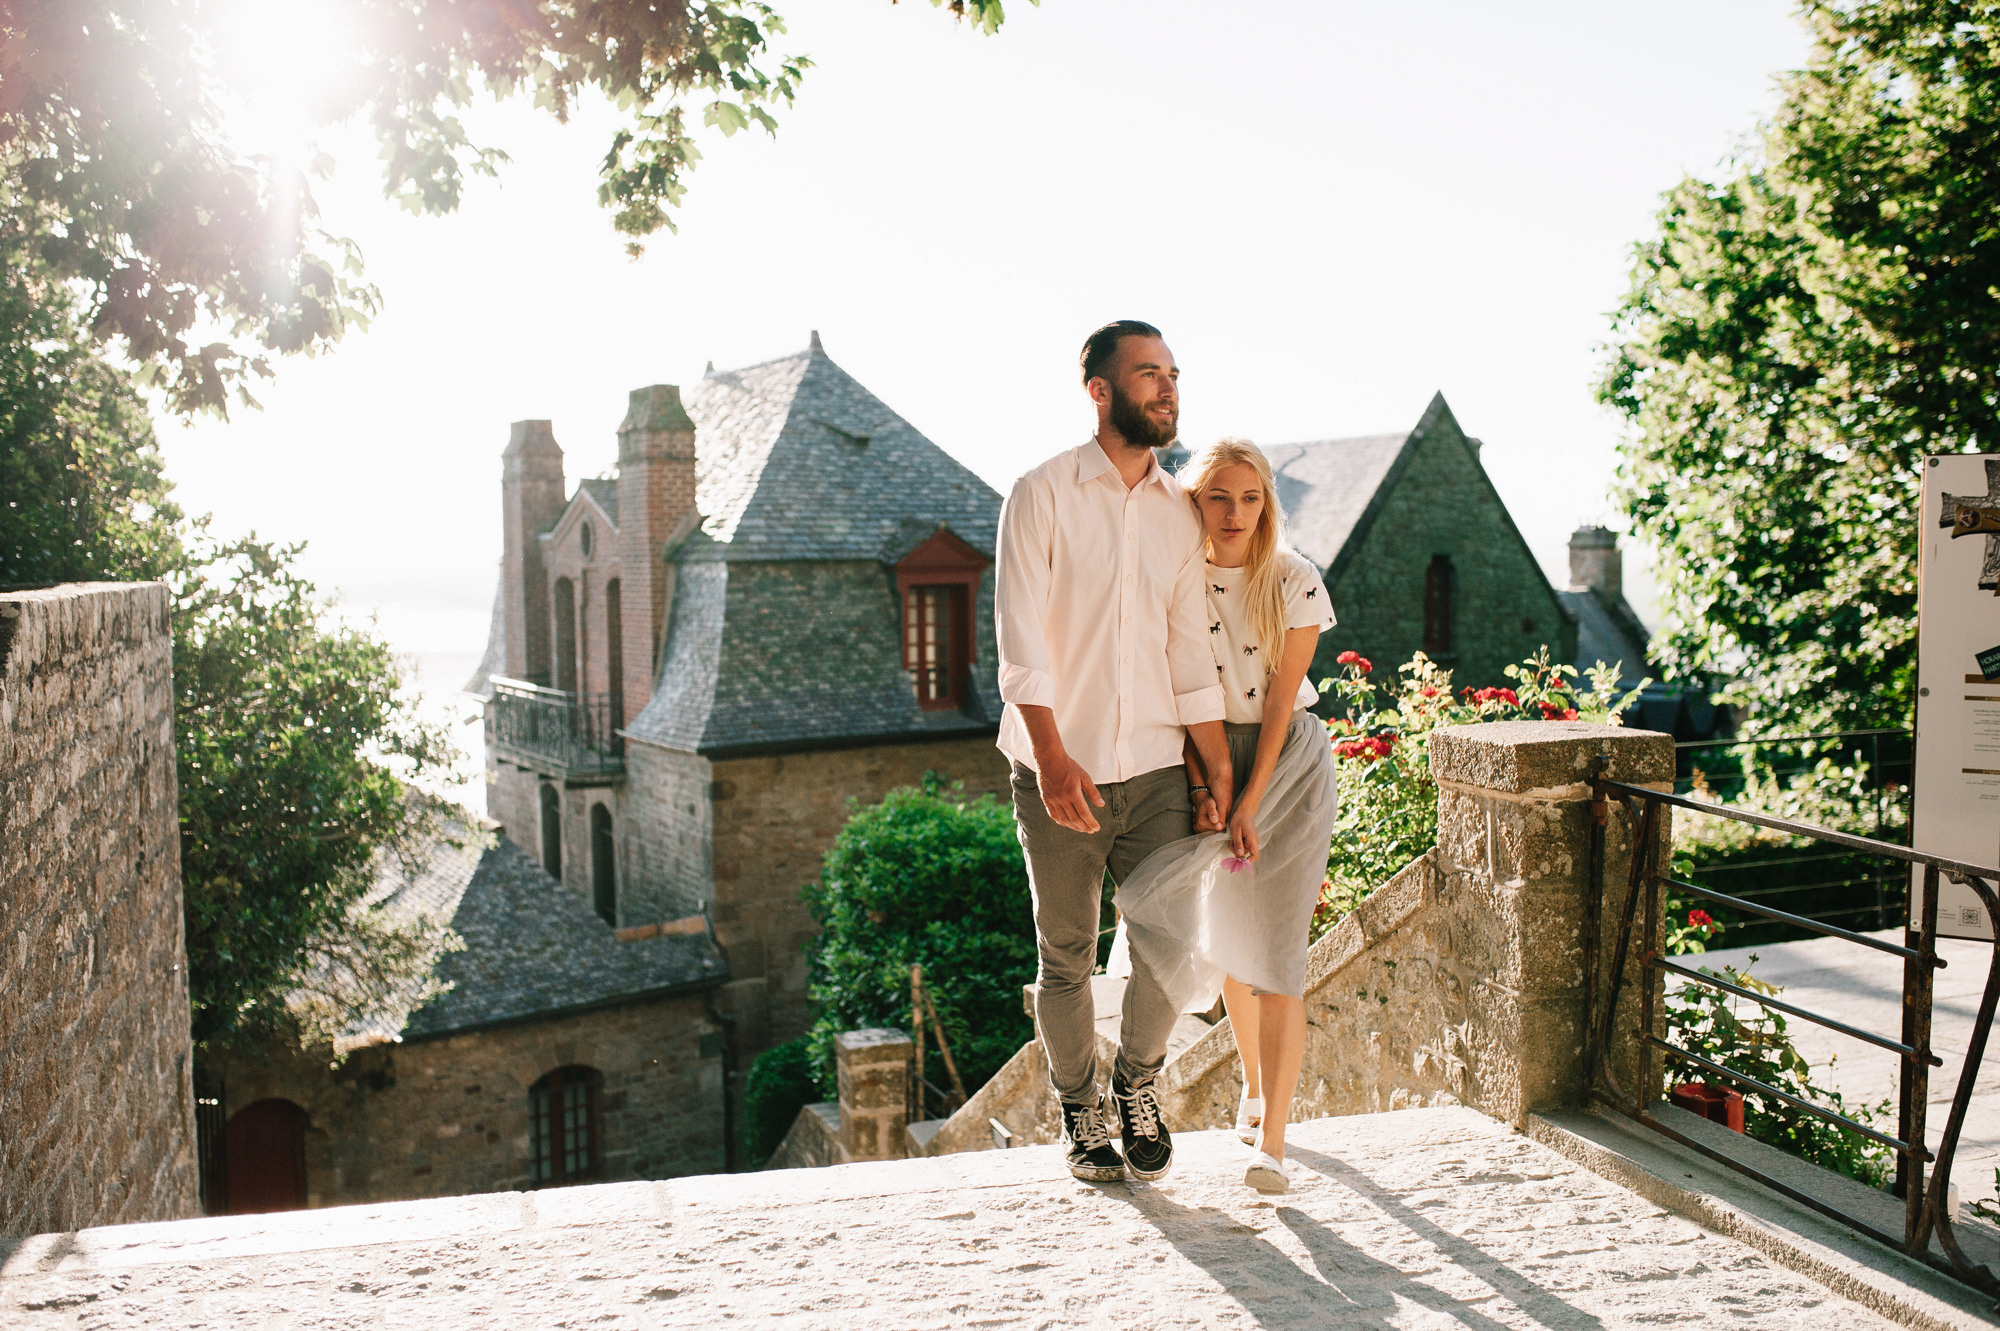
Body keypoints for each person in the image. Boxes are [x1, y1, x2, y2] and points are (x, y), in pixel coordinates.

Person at [994, 320, 1232, 1182]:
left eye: (1173, 374)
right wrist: (1053, 760)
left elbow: (1188, 649)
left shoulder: (1181, 514)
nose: (1167, 389)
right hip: (1063, 769)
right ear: (1099, 390)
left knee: (1169, 944)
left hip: (1160, 767)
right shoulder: (1042, 493)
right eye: (1148, 374)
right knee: (1065, 952)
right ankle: (1079, 1103)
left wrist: (1211, 769)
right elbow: (1020, 639)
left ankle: (1137, 1083)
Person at [1112, 437, 1339, 1196]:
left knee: (1276, 949)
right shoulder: (1176, 580)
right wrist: (1205, 785)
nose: (1235, 513)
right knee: (1230, 938)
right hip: (1203, 756)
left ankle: (1272, 1141)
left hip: (1287, 765)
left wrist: (1246, 798)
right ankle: (1251, 1083)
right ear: (1195, 502)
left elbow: (1279, 706)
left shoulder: (1295, 580)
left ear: (1267, 503)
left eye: (1250, 498)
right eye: (1219, 497)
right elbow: (1172, 691)